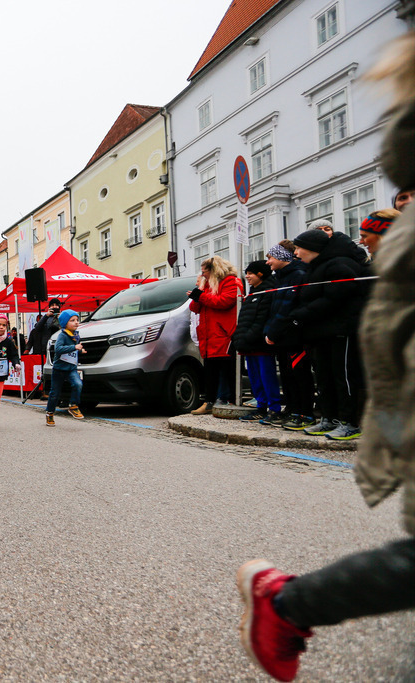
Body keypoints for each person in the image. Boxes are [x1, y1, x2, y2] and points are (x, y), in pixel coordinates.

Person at [236, 35, 415, 679]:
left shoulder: (352, 260)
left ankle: (286, 602)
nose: (289, 260)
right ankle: (287, 602)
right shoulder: (391, 245)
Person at [290, 229, 369, 441]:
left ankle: (349, 422)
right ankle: (329, 417)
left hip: (341, 331)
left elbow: (335, 297)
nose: (296, 253)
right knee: (324, 377)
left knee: (343, 377)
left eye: (298, 248)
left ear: (312, 248)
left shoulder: (340, 264)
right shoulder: (316, 267)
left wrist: (301, 314)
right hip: (321, 332)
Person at [261, 243, 314, 431]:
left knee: (299, 375)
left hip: (294, 335)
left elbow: (288, 308)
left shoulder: (297, 275)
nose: (268, 262)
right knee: (287, 375)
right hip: (282, 335)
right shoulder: (281, 278)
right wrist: (271, 330)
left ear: (282, 257)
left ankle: (305, 412)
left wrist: (274, 331)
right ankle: (292, 409)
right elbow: (276, 309)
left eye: (270, 258)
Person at [188, 256, 242, 414]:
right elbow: (195, 308)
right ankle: (209, 402)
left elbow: (225, 301)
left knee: (228, 369)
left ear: (213, 270)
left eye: (204, 271)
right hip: (209, 334)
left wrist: (201, 296)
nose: (202, 274)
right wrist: (198, 295)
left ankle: (231, 400)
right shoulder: (208, 285)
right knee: (210, 371)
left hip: (223, 334)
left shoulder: (231, 281)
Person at [232, 262, 281, 423]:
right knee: (255, 378)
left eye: (250, 273)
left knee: (267, 377)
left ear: (260, 274)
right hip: (249, 344)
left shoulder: (268, 291)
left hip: (260, 343)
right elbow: (245, 318)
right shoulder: (252, 292)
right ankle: (261, 407)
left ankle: (274, 409)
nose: (247, 276)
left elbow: (262, 318)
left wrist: (248, 337)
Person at [45, 310, 86, 426]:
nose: (76, 322)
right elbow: (58, 349)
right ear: (64, 323)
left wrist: (80, 350)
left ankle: (73, 405)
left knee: (78, 384)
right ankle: (50, 413)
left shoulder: (76, 335)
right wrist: (74, 347)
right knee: (55, 393)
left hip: (71, 368)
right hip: (59, 369)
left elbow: (74, 349)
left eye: (77, 320)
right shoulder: (62, 335)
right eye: (72, 320)